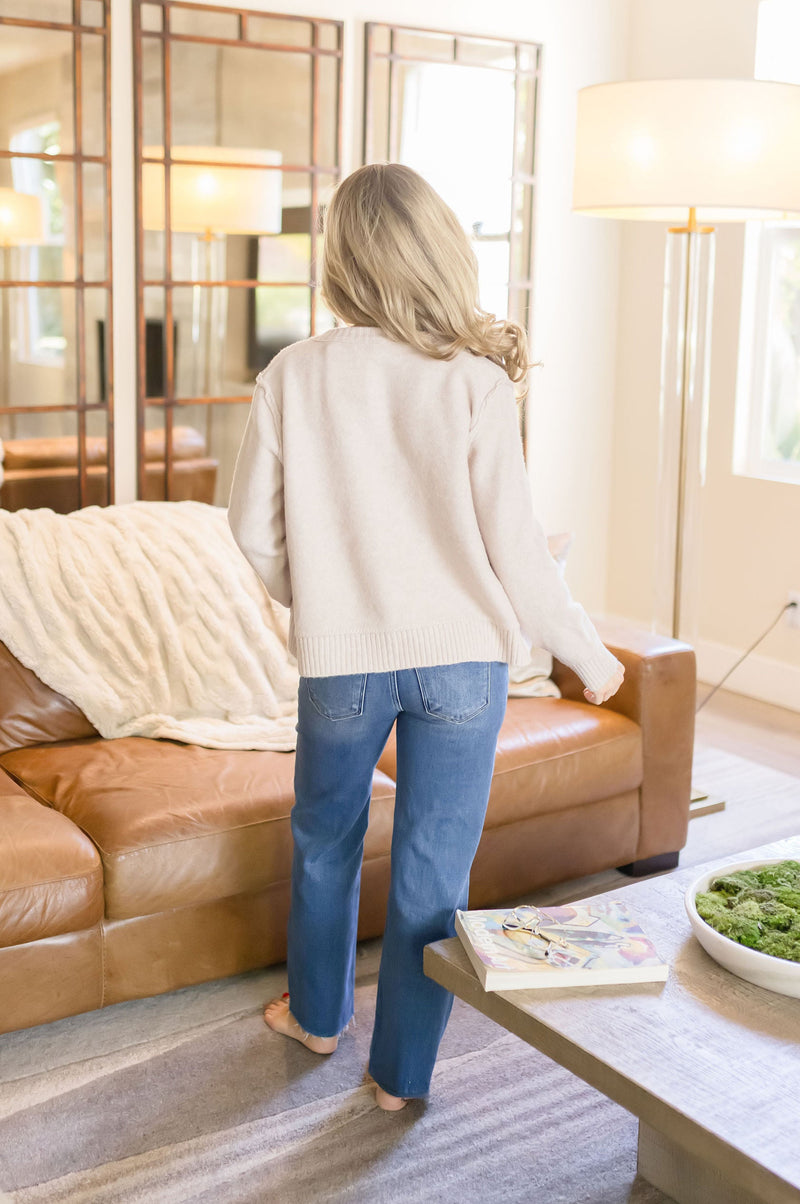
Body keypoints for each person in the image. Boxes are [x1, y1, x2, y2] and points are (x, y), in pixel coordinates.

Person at [226, 162, 625, 1113]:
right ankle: (399, 1079)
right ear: (438, 250)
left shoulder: (294, 374)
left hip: (343, 663)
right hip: (463, 665)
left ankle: (317, 1019)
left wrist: (315, 595)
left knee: (324, 840)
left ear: (341, 260)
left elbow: (250, 529)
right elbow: (518, 550)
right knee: (434, 874)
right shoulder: (475, 381)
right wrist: (588, 653)